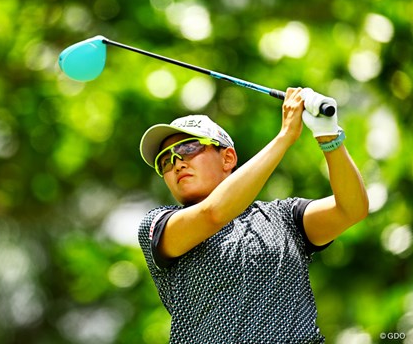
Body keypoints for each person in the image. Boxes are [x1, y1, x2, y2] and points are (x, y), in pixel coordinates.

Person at [137, 87, 369, 343]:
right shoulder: (158, 223)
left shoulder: (283, 217)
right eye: (165, 161)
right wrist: (284, 138)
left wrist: (330, 138)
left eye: (189, 148)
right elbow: (213, 213)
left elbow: (352, 209)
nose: (178, 163)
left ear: (228, 158)